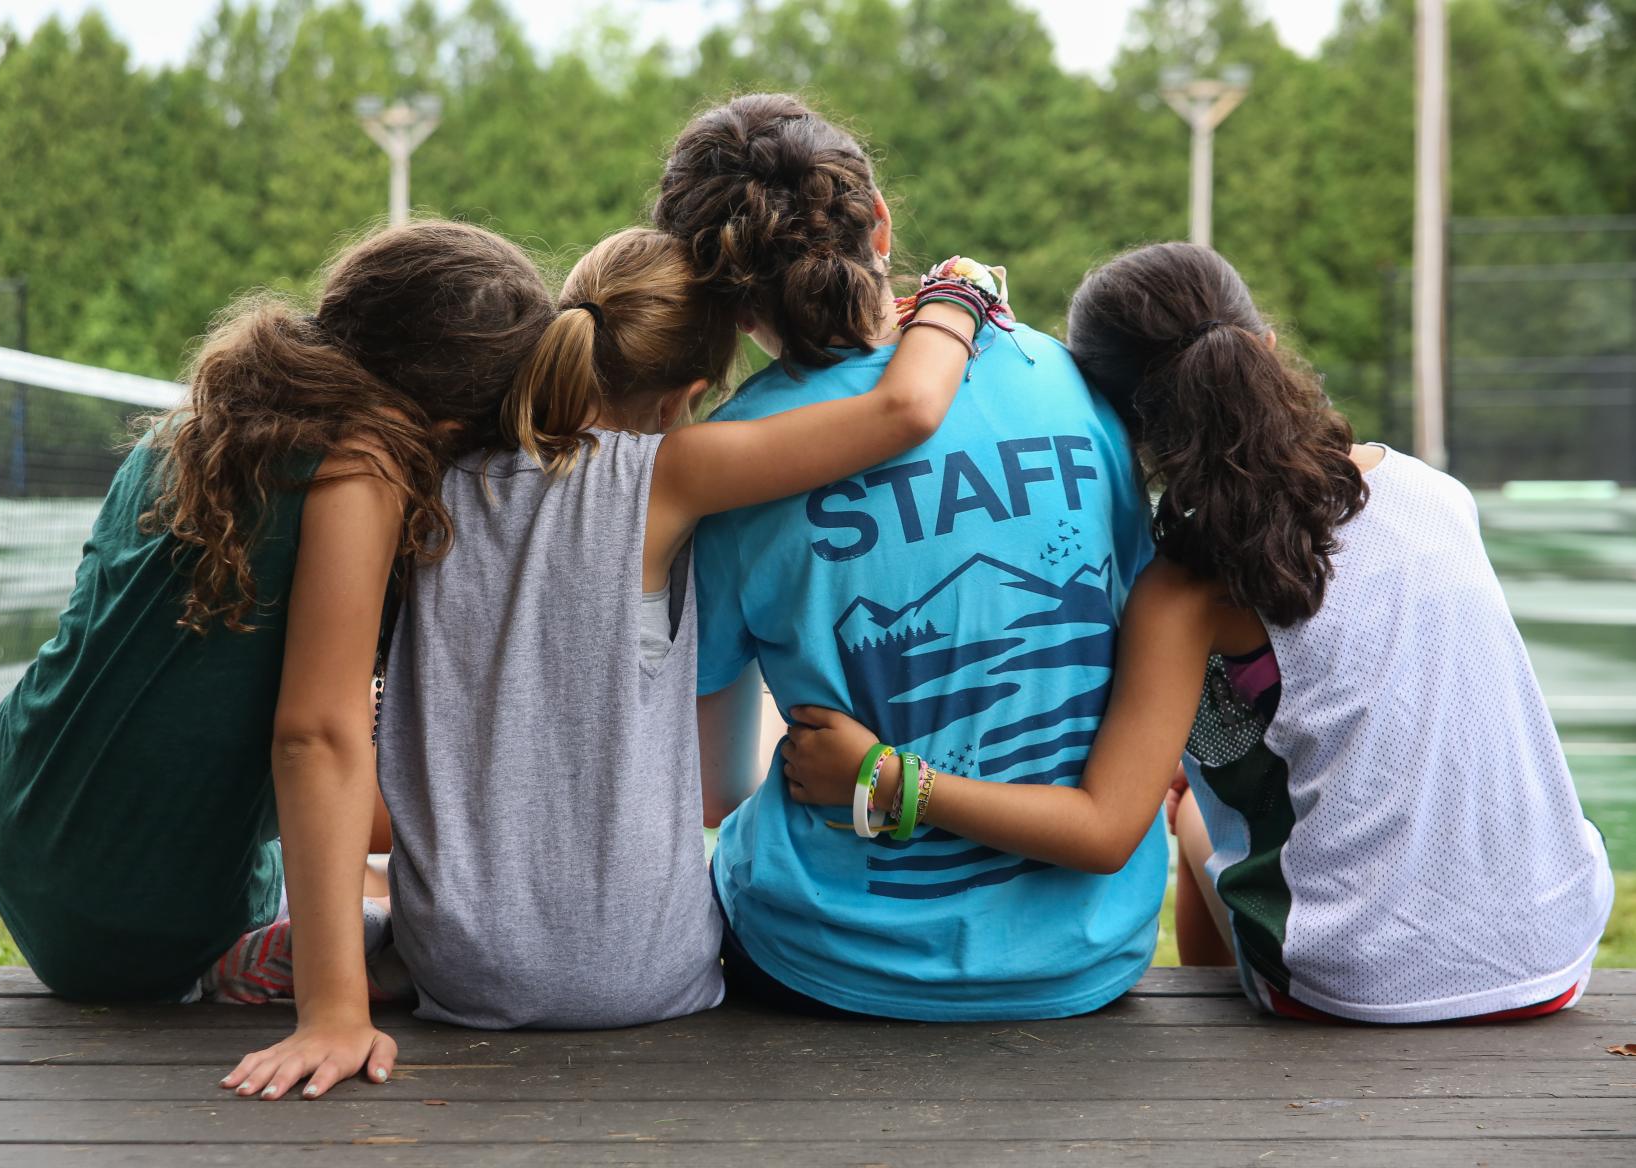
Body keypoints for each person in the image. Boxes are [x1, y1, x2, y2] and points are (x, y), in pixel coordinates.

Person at [785, 241, 1614, 1024]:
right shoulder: (1435, 492)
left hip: (1362, 982)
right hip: (1555, 951)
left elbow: (1105, 832)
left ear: (1122, 427)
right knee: (1196, 794)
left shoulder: (1185, 591)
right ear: (1265, 344)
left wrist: (889, 779)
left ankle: (1222, 1030)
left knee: (1186, 818)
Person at [0, 220, 555, 1101]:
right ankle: (248, 964)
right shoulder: (361, 465)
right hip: (134, 922)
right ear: (445, 420)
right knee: (461, 944)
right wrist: (333, 1011)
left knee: (378, 852)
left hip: (27, 815)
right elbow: (316, 738)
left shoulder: (200, 425)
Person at [371, 227, 982, 1030]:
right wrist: (960, 293)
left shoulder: (438, 478)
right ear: (684, 396)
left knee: (375, 889)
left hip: (458, 968)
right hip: (650, 974)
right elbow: (904, 410)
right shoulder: (670, 473)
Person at [654, 94, 1165, 1021]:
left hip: (827, 959)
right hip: (1090, 952)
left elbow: (714, 786)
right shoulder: (1064, 375)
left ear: (715, 295)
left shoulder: (726, 465)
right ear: (879, 224)